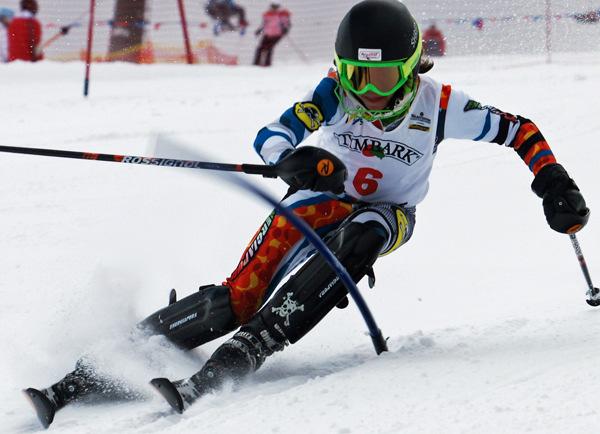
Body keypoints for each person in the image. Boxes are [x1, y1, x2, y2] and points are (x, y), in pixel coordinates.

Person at [24, 0, 590, 426]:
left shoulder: (440, 105)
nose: (369, 92)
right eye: (357, 76)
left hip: (389, 213)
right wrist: (294, 158)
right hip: (317, 199)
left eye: (386, 77)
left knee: (366, 231)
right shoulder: (332, 93)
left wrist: (552, 179)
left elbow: (520, 130)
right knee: (239, 297)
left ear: (413, 68)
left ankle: (254, 346)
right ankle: (105, 361)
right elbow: (273, 134)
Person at [253, 2, 291, 67]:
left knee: (268, 48)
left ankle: (267, 64)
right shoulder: (267, 15)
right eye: (273, 7)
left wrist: (285, 29)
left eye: (275, 7)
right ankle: (256, 63)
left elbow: (286, 23)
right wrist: (259, 30)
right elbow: (264, 24)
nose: (274, 9)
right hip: (267, 34)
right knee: (260, 48)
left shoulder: (281, 15)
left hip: (277, 34)